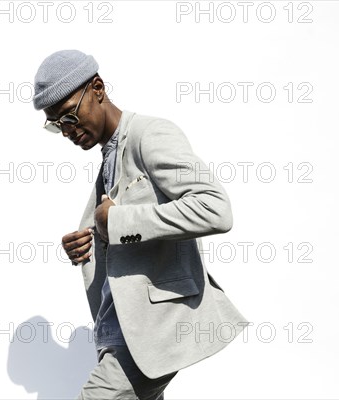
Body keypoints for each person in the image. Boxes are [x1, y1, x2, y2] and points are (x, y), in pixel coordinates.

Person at [32, 49, 247, 400]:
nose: (67, 130)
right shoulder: (108, 159)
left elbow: (215, 209)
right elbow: (123, 231)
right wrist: (89, 240)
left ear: (98, 88)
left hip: (152, 331)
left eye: (69, 115)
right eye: (56, 124)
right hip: (119, 331)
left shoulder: (150, 134)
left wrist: (117, 221)